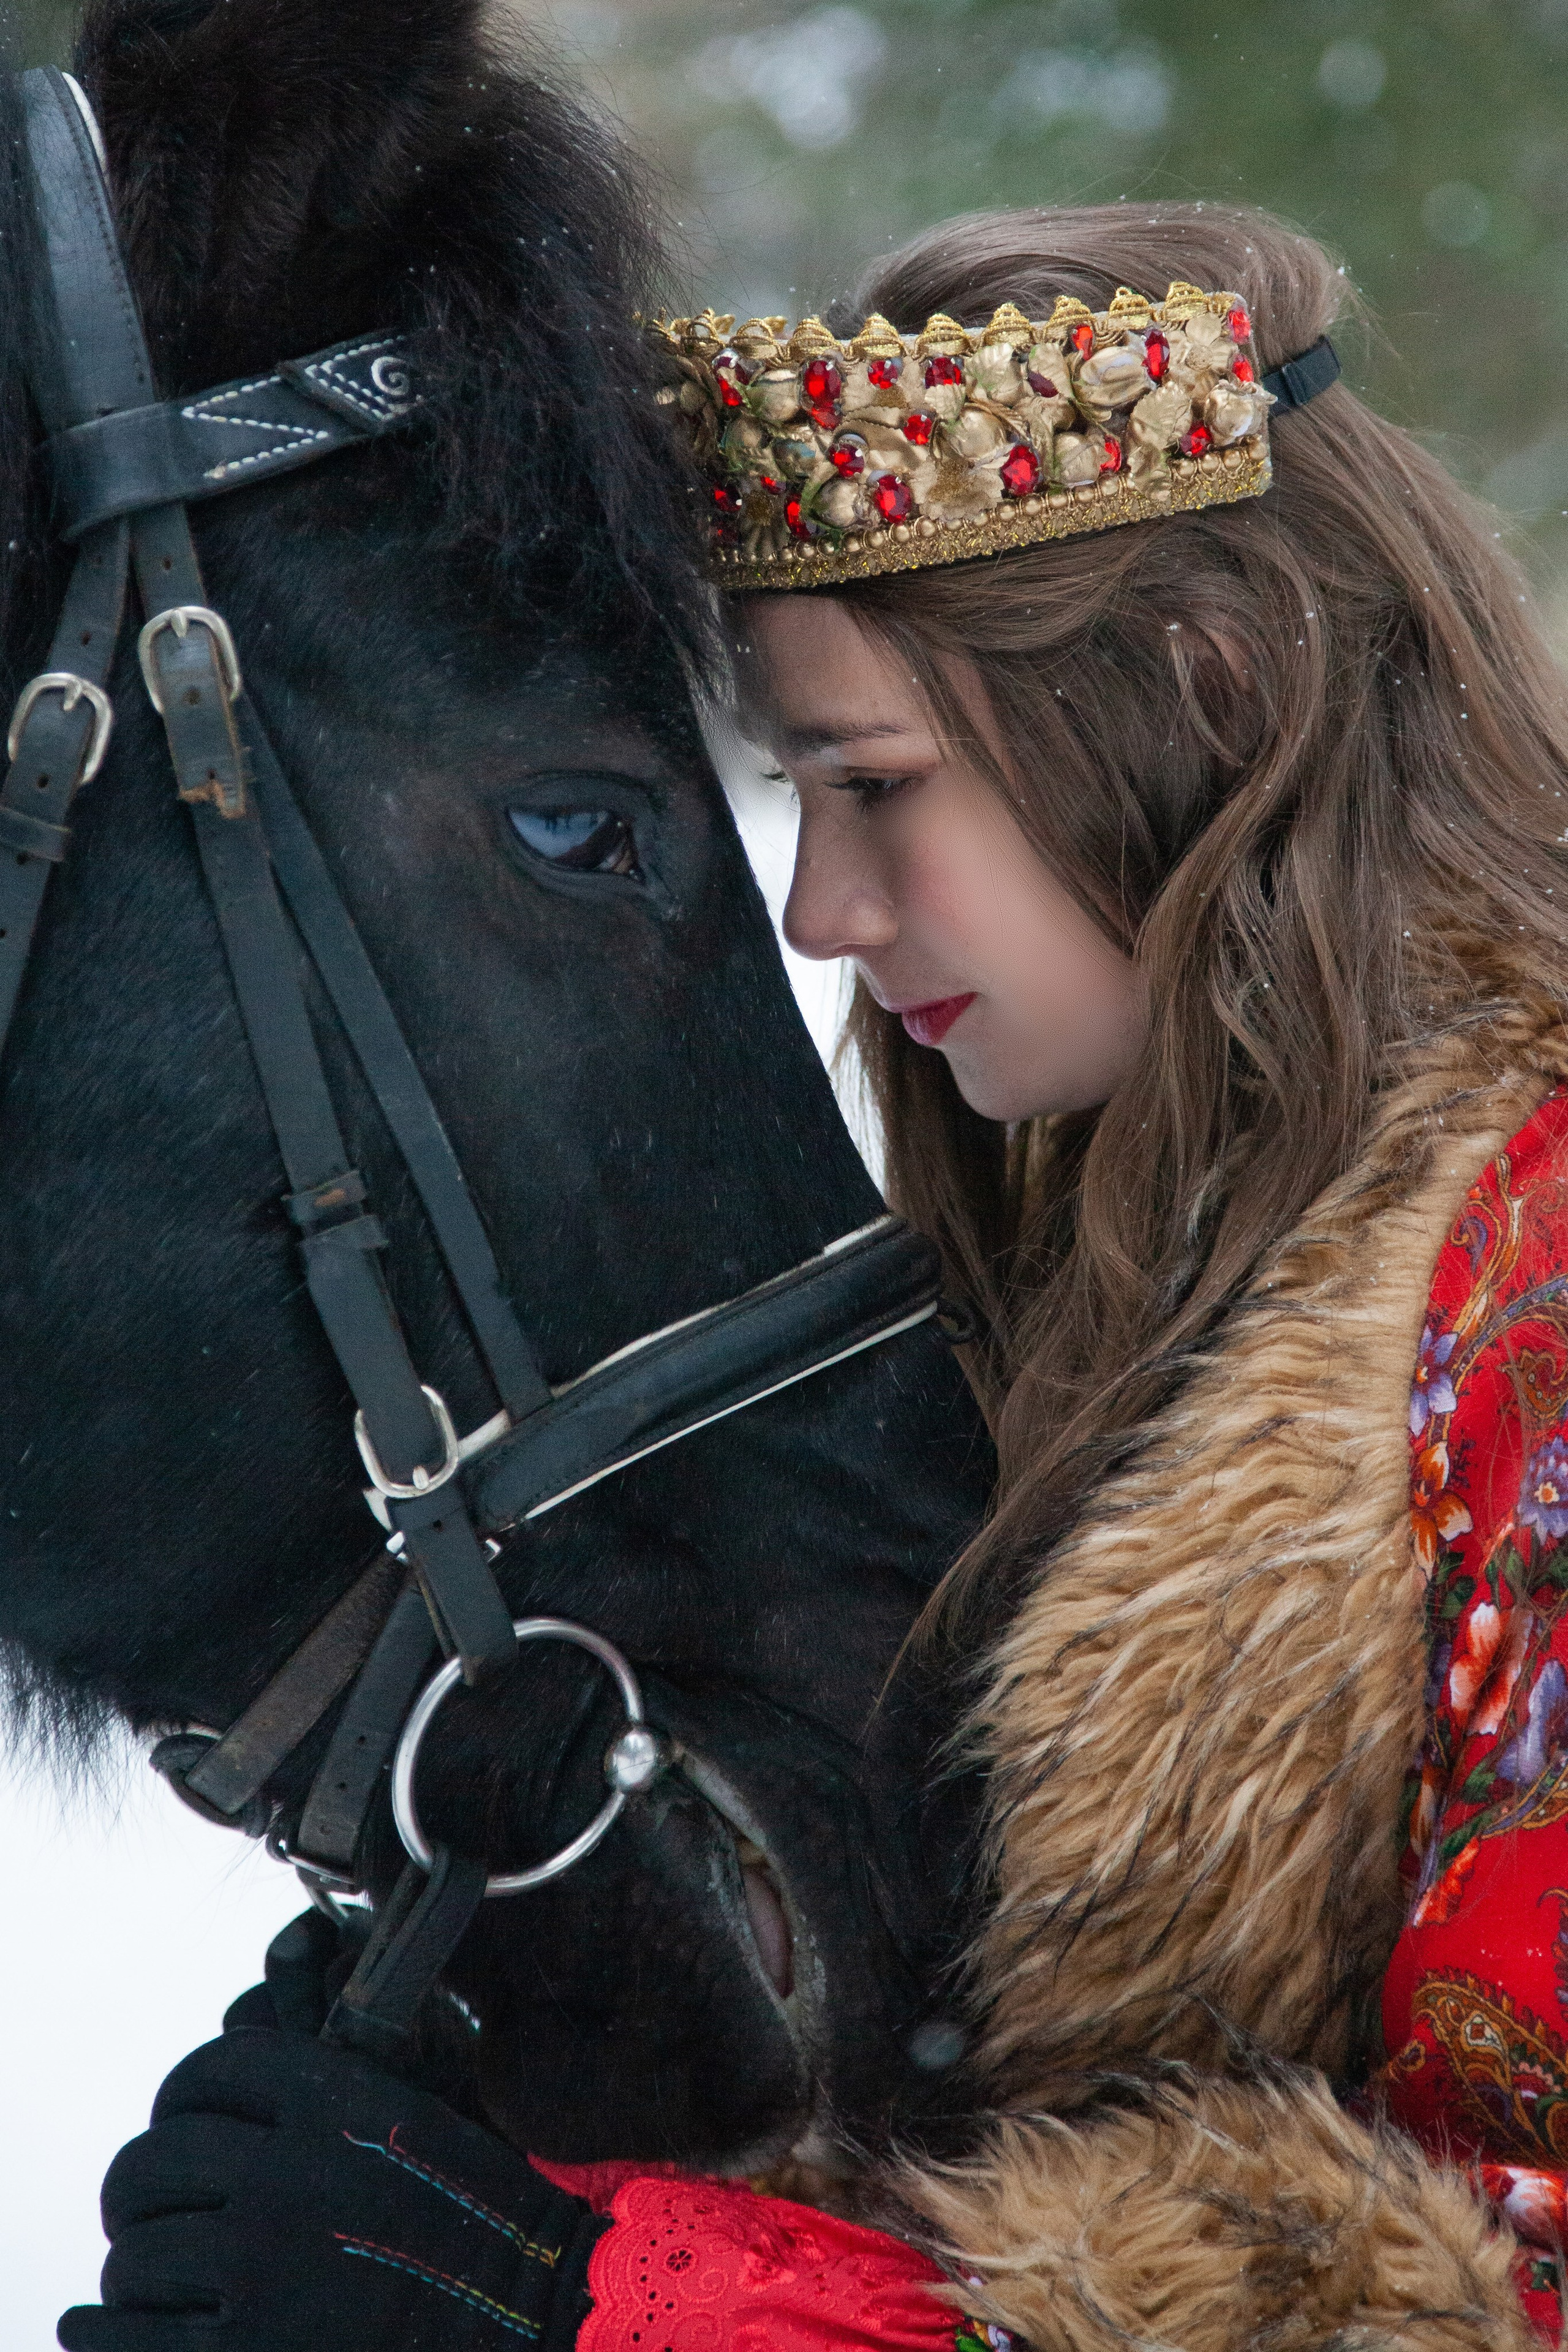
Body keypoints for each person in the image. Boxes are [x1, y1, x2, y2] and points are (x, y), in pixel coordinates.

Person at [62, 201, 1568, 2352]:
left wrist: (610, 2301)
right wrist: (518, 2076)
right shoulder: (1075, 1248)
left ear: (1211, 701)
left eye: (874, 786)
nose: (822, 910)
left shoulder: (1538, 1310)